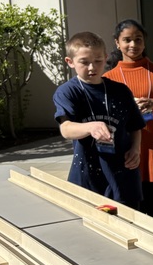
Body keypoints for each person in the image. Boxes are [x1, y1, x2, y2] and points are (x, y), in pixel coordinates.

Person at [53, 31, 145, 210]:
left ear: (106, 58)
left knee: (128, 230)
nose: (92, 68)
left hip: (123, 177)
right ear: (70, 62)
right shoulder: (68, 92)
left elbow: (135, 126)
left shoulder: (120, 91)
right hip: (88, 178)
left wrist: (136, 148)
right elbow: (66, 129)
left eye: (97, 61)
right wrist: (90, 127)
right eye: (84, 62)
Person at [103, 19, 153, 222]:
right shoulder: (108, 78)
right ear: (117, 43)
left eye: (138, 40)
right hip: (124, 152)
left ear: (144, 42)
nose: (133, 45)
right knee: (129, 212)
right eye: (127, 40)